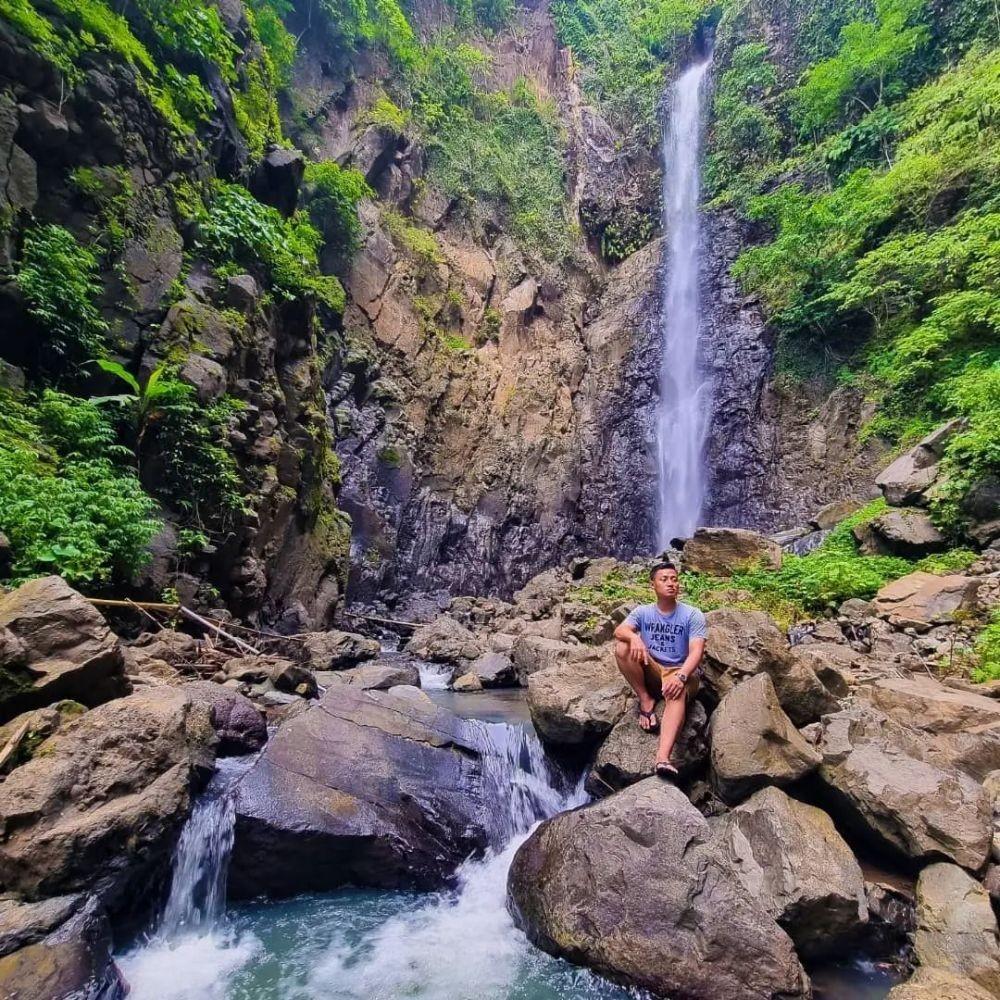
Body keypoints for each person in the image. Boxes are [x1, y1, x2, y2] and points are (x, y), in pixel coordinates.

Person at [613, 560, 707, 778]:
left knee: (677, 690)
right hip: (654, 670)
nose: (671, 583)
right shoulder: (643, 612)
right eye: (664, 579)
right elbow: (620, 630)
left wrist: (682, 676)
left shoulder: (692, 614)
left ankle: (662, 759)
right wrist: (634, 638)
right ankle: (646, 699)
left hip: (682, 671)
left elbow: (697, 651)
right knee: (622, 647)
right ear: (652, 585)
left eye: (674, 579)